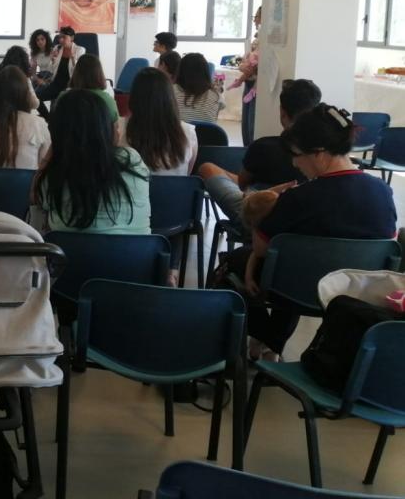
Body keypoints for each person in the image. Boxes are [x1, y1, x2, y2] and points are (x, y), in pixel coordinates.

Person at [218, 104, 397, 359]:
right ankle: (271, 345)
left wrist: (267, 201)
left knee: (233, 265)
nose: (294, 162)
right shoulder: (383, 192)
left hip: (299, 287)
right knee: (296, 262)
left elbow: (261, 248)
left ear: (319, 153)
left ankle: (264, 341)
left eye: (296, 154)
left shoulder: (299, 197)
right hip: (355, 293)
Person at [199, 78, 322, 227]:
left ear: (283, 113)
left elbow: (242, 185)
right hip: (304, 218)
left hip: (255, 212)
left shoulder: (263, 146)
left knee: (207, 168)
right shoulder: (322, 154)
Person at [33, 89, 150, 234]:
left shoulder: (53, 175)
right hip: (136, 249)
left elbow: (34, 199)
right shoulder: (132, 160)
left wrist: (55, 148)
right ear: (105, 126)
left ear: (56, 132)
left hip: (70, 249)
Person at [123, 67, 199, 285]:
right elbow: (186, 174)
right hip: (174, 218)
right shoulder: (188, 133)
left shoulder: (120, 129)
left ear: (134, 98)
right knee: (176, 202)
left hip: (131, 214)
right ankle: (171, 271)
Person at [65, 54, 119, 124]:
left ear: (76, 73)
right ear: (99, 74)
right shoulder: (107, 100)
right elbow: (116, 128)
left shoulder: (63, 97)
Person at [41, 26, 86, 103]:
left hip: (70, 86)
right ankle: (47, 112)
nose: (60, 40)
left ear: (72, 38)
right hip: (55, 83)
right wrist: (52, 59)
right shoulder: (57, 48)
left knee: (60, 103)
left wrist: (73, 59)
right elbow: (50, 70)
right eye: (59, 37)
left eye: (64, 37)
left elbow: (79, 72)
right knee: (37, 98)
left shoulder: (80, 50)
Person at [237, 6, 262, 145]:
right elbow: (246, 61)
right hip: (249, 82)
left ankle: (250, 151)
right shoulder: (256, 39)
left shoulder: (264, 41)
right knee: (246, 124)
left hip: (256, 86)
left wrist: (245, 67)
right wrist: (243, 65)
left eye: (256, 17)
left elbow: (254, 67)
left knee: (252, 125)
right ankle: (246, 151)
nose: (254, 20)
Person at [173, 53, 222, 122]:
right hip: (207, 129)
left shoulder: (171, 91)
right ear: (206, 72)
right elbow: (214, 117)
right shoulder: (216, 95)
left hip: (179, 128)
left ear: (180, 71)